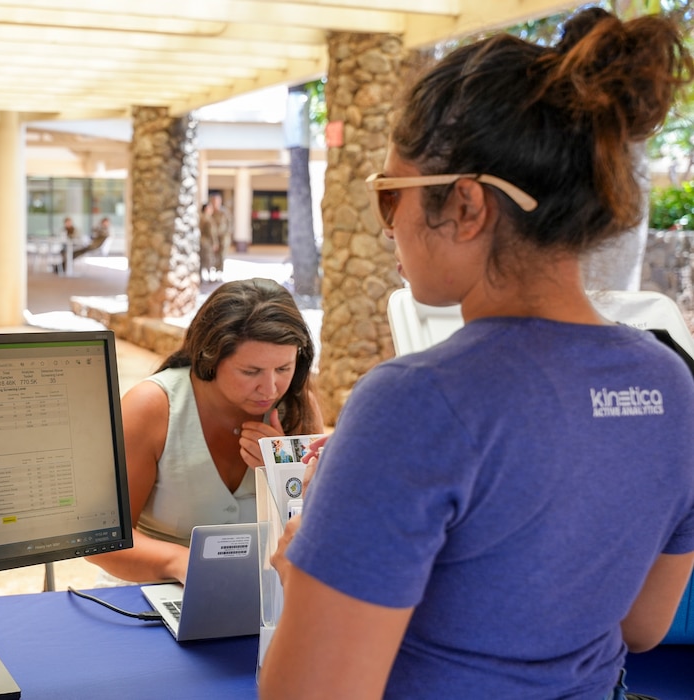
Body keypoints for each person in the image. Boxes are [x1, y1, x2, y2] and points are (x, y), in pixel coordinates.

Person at [260, 9, 694, 700]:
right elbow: (643, 625)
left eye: (387, 198)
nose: (388, 228)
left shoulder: (416, 402)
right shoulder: (671, 385)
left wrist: (301, 574)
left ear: (465, 207)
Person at [87, 278, 324, 584]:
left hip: (259, 599)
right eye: (250, 372)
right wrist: (182, 563)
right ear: (210, 357)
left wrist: (281, 473)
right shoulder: (151, 408)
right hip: (145, 599)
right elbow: (102, 542)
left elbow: (317, 529)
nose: (270, 388)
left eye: (283, 369)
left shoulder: (298, 409)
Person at [209, 193, 231, 280]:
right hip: (213, 238)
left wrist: (228, 234)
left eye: (217, 201)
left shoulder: (224, 212)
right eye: (214, 201)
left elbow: (229, 224)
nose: (215, 203)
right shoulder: (210, 212)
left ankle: (220, 272)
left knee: (222, 255)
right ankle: (213, 271)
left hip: (223, 237)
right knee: (213, 256)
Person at [198, 202, 218, 282]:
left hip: (200, 241)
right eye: (210, 208)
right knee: (208, 259)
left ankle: (201, 277)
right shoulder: (208, 219)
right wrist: (215, 243)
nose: (212, 210)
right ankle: (210, 277)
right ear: (206, 209)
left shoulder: (200, 217)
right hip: (207, 242)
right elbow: (211, 233)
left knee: (201, 260)